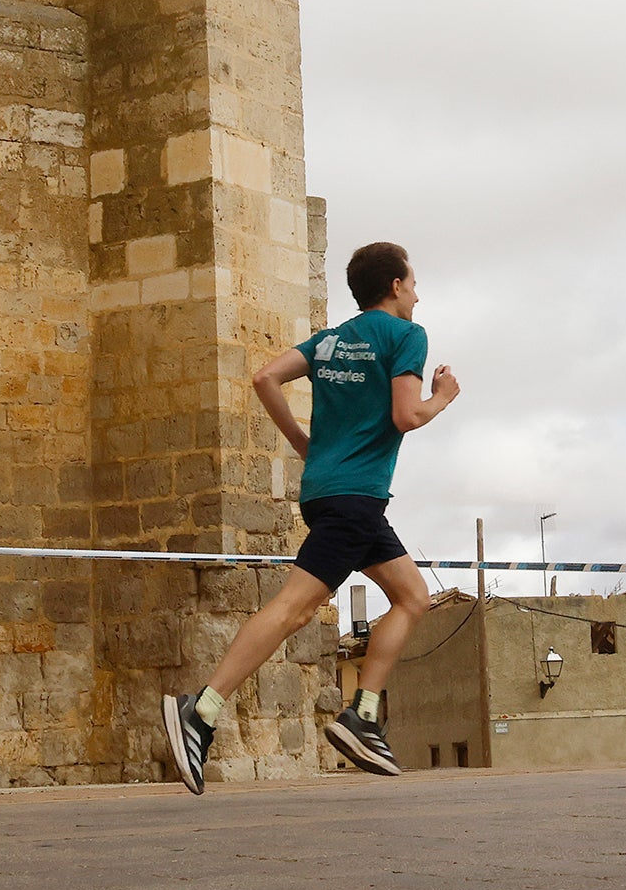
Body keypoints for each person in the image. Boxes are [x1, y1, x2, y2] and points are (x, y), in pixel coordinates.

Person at [161, 242, 460, 793]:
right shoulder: (406, 336)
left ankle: (362, 716)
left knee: (413, 597)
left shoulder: (330, 340)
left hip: (331, 494)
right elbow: (406, 414)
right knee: (294, 609)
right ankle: (200, 710)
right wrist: (443, 396)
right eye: (413, 283)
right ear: (395, 286)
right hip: (355, 498)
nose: (417, 294)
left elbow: (264, 378)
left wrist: (304, 442)